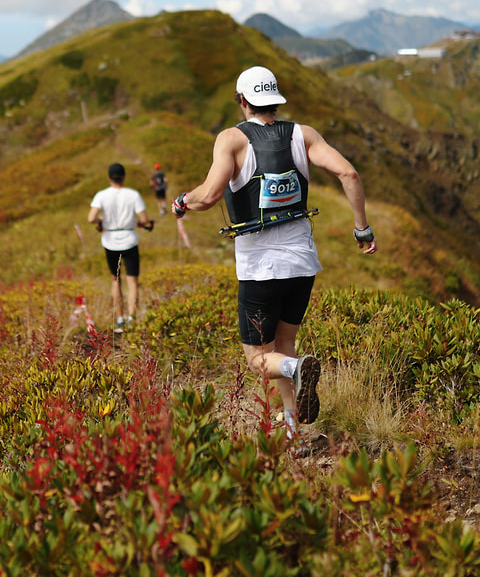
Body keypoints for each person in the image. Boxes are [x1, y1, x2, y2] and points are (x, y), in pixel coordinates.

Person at [172, 65, 377, 433]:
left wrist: (182, 201)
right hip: (302, 264)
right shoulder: (304, 135)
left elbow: (210, 195)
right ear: (274, 99)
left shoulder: (231, 139)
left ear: (243, 101)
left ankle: (296, 371)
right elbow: (349, 173)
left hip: (260, 268)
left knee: (260, 360)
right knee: (285, 344)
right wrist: (362, 228)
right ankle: (295, 432)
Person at [88, 163, 153, 333]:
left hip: (110, 240)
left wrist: (101, 221)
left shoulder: (101, 195)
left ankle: (119, 319)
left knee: (115, 280)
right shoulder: (133, 194)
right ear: (124, 177)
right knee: (133, 282)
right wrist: (138, 223)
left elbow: (91, 218)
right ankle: (132, 318)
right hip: (130, 239)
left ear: (109, 177)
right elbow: (144, 219)